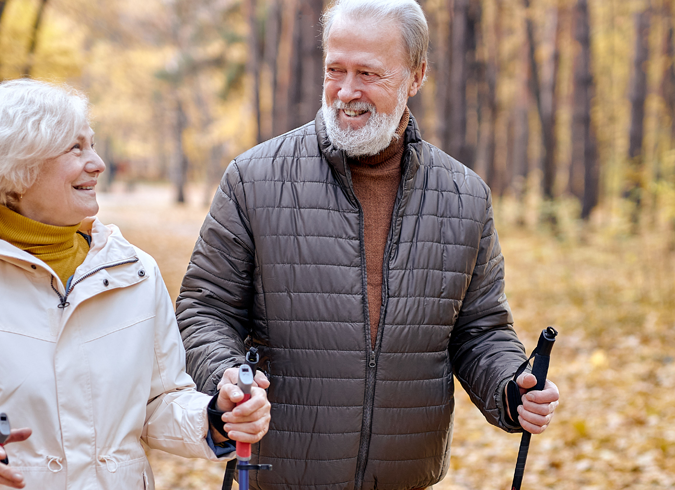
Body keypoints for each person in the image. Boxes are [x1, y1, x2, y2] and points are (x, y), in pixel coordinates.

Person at [175, 1, 561, 488]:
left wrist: (511, 386)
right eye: (335, 69)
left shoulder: (465, 196)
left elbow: (479, 329)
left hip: (404, 477)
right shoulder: (253, 179)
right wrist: (227, 377)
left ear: (416, 76)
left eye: (369, 73)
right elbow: (203, 311)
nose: (347, 92)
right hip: (279, 475)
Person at [0, 79, 271, 490]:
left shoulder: (136, 273)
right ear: (16, 166)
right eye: (75, 148)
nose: (97, 163)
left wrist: (215, 417)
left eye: (91, 146)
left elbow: (160, 402)